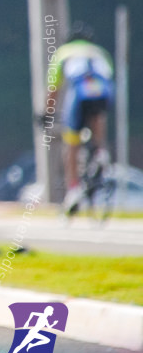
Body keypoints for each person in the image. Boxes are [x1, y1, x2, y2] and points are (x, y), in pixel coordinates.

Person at [45, 22, 114, 214]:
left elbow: (53, 90)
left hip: (79, 92)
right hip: (103, 90)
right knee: (97, 115)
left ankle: (73, 190)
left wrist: (47, 114)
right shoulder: (99, 52)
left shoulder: (63, 53)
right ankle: (100, 152)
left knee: (72, 144)